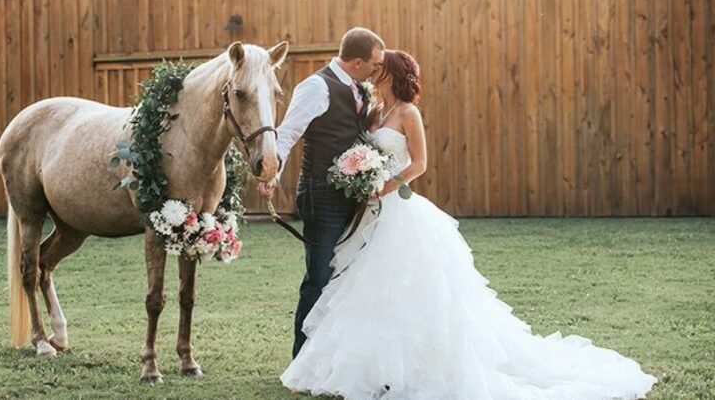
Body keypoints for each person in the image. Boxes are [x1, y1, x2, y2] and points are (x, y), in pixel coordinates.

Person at [279, 50, 657, 400]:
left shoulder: (409, 112)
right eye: (373, 68)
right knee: (359, 285)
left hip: (397, 208)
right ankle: (362, 366)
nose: (374, 74)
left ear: (392, 74)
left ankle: (417, 365)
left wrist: (386, 186)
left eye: (381, 69)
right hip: (368, 212)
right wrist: (364, 178)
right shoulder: (374, 111)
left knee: (404, 288)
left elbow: (420, 164)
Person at [257, 27, 385, 357]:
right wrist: (272, 174)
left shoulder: (359, 87)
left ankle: (338, 358)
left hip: (353, 197)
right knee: (319, 277)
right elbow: (287, 135)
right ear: (357, 62)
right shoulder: (316, 87)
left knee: (348, 276)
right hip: (321, 194)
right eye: (374, 63)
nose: (377, 70)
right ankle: (301, 360)